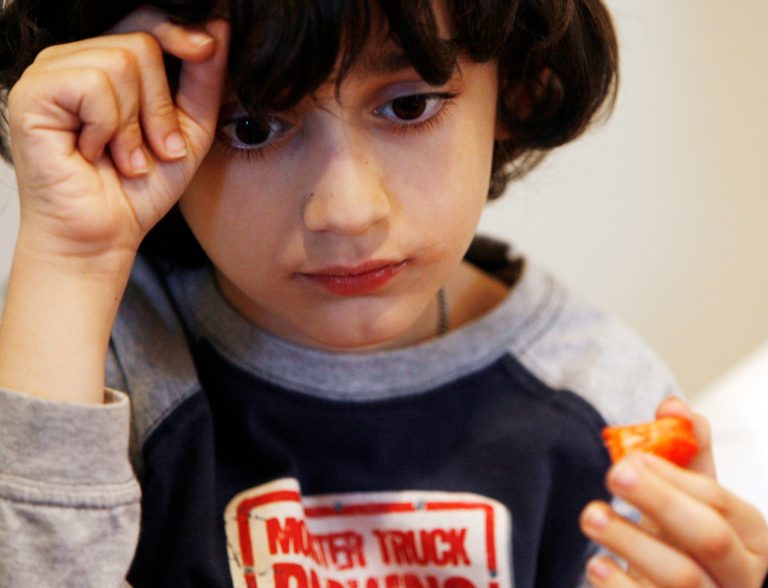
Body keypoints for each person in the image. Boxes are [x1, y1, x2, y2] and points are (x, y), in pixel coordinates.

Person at [0, 0, 766, 586]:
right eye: (254, 127)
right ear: (144, 118)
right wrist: (70, 257)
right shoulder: (95, 366)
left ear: (518, 88)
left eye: (408, 106)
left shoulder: (603, 407)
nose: (347, 211)